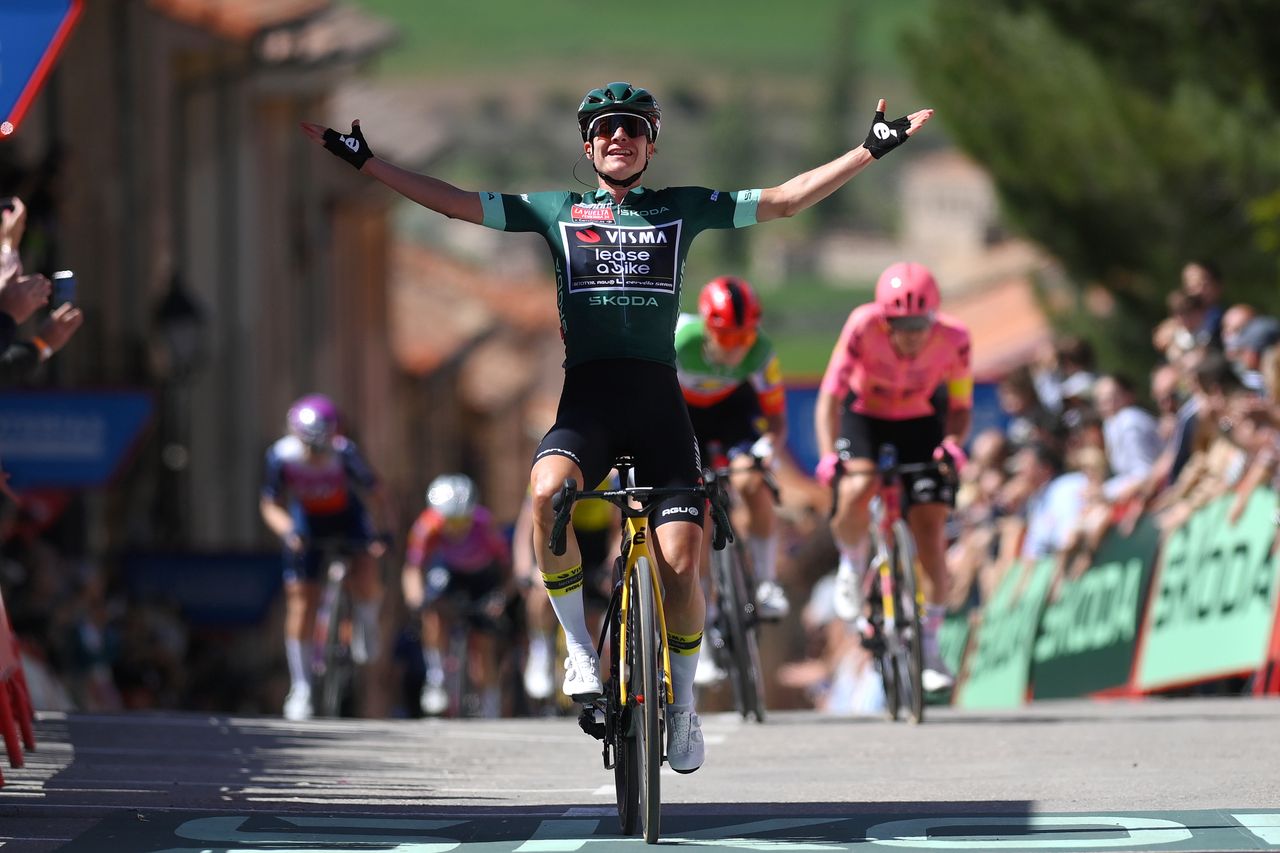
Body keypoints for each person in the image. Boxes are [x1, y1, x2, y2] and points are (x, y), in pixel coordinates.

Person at [304, 82, 932, 772]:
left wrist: (868, 152)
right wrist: (370, 165)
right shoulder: (557, 212)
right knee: (547, 495)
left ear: (651, 143)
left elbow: (783, 199)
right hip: (589, 405)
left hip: (662, 406)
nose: (619, 139)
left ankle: (684, 704)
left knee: (682, 565)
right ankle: (578, 649)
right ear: (587, 144)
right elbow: (456, 201)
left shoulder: (680, 208)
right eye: (606, 130)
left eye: (633, 129)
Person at [814, 261, 971, 693]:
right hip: (865, 416)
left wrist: (954, 443)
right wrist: (829, 456)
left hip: (920, 421)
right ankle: (851, 561)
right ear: (884, 320)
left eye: (920, 323)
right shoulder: (861, 327)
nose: (913, 333)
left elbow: (959, 405)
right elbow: (830, 397)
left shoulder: (955, 339)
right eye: (901, 324)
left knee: (932, 529)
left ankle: (930, 641)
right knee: (858, 486)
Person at [259, 393, 391, 721]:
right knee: (301, 600)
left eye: (322, 447)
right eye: (310, 447)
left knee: (366, 565)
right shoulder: (281, 456)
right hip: (307, 521)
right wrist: (288, 531)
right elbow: (270, 504)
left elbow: (377, 494)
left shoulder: (344, 453)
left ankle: (366, 619)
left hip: (347, 517)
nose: (316, 455)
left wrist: (382, 533)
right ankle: (301, 686)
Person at [675, 275, 789, 621]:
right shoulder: (678, 341)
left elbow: (777, 420)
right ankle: (701, 616)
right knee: (697, 515)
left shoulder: (761, 352)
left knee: (751, 482)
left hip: (732, 414)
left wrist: (768, 448)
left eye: (744, 336)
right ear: (707, 329)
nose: (736, 347)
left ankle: (767, 582)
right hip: (684, 415)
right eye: (726, 337)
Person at [402, 474, 513, 718]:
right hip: (447, 573)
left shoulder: (485, 524)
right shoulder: (427, 526)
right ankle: (437, 679)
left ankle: (490, 706)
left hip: (482, 577)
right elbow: (413, 568)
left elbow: (507, 568)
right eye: (448, 521)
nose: (455, 527)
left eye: (461, 520)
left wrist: (501, 597)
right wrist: (417, 600)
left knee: (483, 645)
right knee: (433, 610)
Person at [511, 474, 618, 705]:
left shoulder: (611, 478)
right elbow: (525, 531)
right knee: (541, 593)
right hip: (560, 533)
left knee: (593, 619)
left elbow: (617, 530)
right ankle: (541, 647)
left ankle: (597, 680)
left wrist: (611, 566)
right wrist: (525, 570)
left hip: (595, 544)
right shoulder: (553, 472)